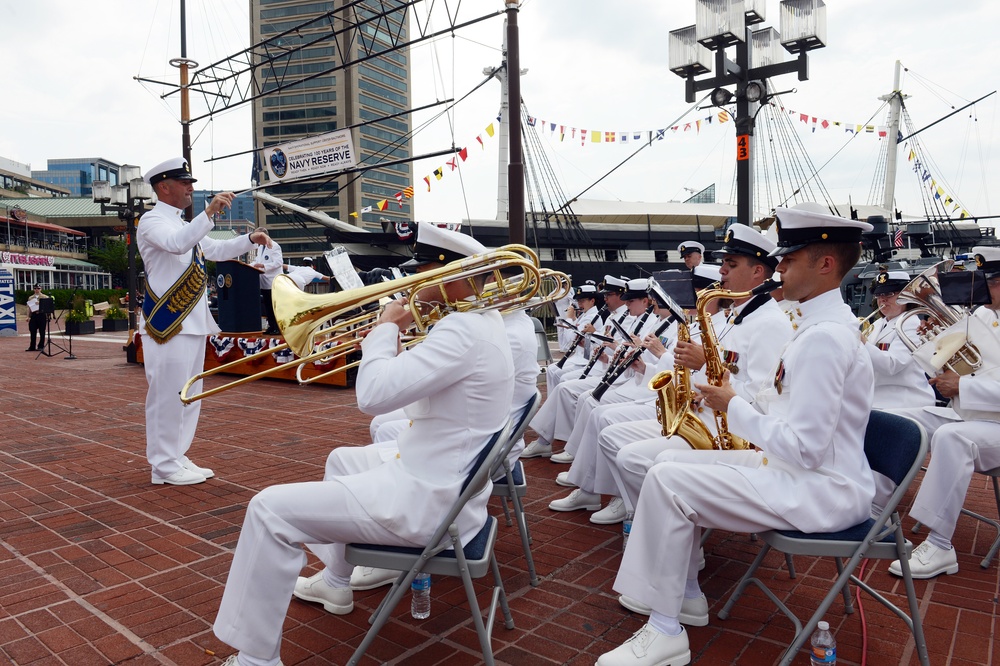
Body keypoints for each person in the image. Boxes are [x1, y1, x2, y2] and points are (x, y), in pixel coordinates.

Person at [212, 224, 514, 666]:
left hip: (426, 503)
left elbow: (371, 397)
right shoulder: (481, 323)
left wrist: (385, 328)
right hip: (445, 485)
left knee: (267, 509)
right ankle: (336, 581)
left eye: (424, 271)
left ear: (453, 277)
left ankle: (256, 659)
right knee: (341, 459)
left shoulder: (462, 331)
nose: (414, 283)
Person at [596, 205, 875, 666]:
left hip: (822, 487)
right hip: (802, 472)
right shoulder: (816, 326)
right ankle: (683, 594)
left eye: (789, 259)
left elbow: (806, 448)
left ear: (825, 264)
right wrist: (733, 394)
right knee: (666, 466)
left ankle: (666, 630)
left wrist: (733, 405)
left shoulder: (824, 337)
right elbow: (786, 412)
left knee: (667, 479)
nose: (778, 267)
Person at [137, 157, 273, 486]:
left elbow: (214, 249)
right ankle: (162, 465)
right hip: (167, 322)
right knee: (167, 395)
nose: (191, 188)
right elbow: (177, 244)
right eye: (185, 183)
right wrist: (209, 213)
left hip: (193, 322)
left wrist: (250, 240)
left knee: (189, 394)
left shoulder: (186, 224)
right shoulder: (152, 222)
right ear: (163, 187)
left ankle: (177, 455)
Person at [882, 246, 1000, 579]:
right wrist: (933, 342)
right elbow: (957, 362)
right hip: (975, 416)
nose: (974, 291)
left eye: (984, 283)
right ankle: (876, 507)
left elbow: (968, 380)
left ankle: (940, 545)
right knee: (902, 419)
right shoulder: (982, 316)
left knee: (952, 437)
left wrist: (962, 387)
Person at [864, 270, 935, 409]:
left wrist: (862, 342)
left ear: (904, 296)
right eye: (879, 295)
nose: (882, 300)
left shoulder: (910, 324)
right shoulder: (877, 325)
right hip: (877, 399)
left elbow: (892, 365)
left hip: (904, 401)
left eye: (889, 294)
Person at [254, 235, 283, 335]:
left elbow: (279, 262)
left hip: (273, 282)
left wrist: (264, 266)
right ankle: (271, 326)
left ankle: (278, 327)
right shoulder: (260, 247)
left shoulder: (274, 246)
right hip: (264, 282)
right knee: (268, 306)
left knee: (274, 306)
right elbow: (258, 262)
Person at [25, 284, 49, 352]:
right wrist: (28, 316)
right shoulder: (31, 297)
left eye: (38, 288)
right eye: (35, 288)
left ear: (40, 289)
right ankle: (32, 346)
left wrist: (40, 303)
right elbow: (28, 307)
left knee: (42, 331)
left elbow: (47, 306)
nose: (37, 290)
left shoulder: (44, 297)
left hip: (41, 315)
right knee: (32, 331)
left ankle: (41, 346)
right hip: (34, 315)